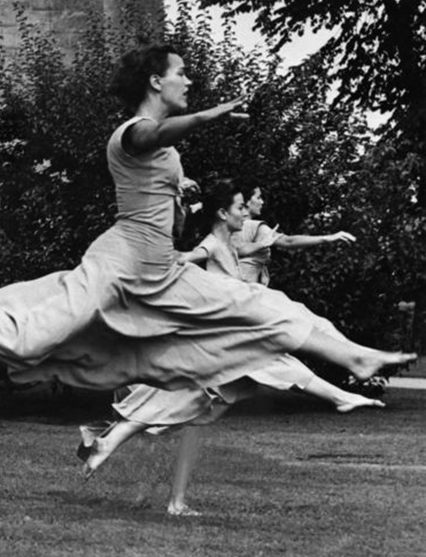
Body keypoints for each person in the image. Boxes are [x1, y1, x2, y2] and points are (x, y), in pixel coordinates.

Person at [0, 44, 412, 395]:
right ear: (157, 81)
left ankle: (354, 357)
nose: (188, 81)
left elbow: (159, 187)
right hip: (118, 261)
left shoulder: (161, 154)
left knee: (266, 304)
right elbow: (150, 138)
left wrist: (183, 194)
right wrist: (209, 116)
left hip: (163, 270)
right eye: (181, 74)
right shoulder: (130, 131)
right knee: (26, 340)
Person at [82, 181, 383, 515]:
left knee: (185, 405)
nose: (246, 212)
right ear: (223, 214)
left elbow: (259, 251)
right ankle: (341, 397)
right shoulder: (212, 244)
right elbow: (186, 257)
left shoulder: (231, 246)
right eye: (240, 207)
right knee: (274, 360)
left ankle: (121, 452)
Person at [234, 182, 356, 286]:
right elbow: (288, 241)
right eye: (258, 197)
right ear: (247, 202)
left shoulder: (230, 225)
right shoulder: (253, 226)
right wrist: (327, 238)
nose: (262, 202)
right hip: (248, 290)